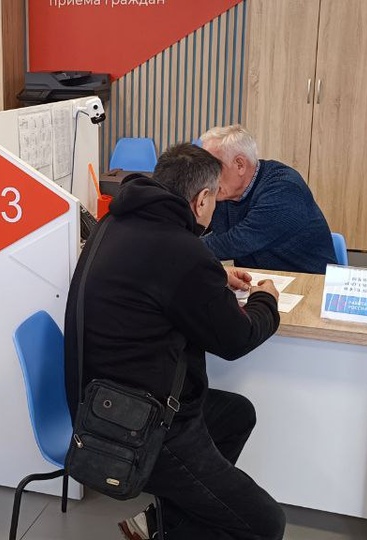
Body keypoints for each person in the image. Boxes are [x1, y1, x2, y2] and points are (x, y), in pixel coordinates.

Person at [65, 143, 287, 540]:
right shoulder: (182, 251)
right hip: (138, 424)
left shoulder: (116, 222)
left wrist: (212, 276)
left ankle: (164, 525)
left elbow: (158, 277)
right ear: (201, 200)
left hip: (105, 400)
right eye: (214, 199)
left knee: (236, 415)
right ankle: (171, 522)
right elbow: (236, 339)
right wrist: (265, 300)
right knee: (266, 523)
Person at [199, 125, 337, 274]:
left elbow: (238, 241)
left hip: (310, 281)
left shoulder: (283, 188)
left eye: (213, 168)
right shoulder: (225, 191)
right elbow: (195, 224)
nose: (207, 177)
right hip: (259, 280)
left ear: (240, 165)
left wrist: (186, 247)